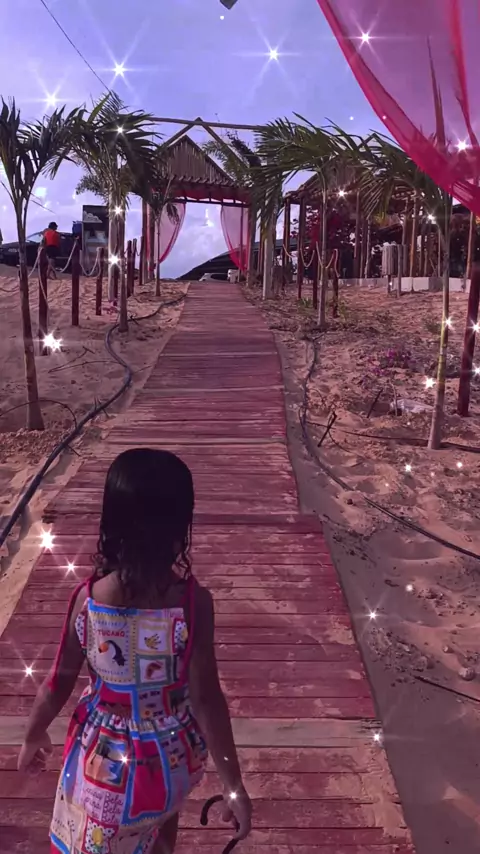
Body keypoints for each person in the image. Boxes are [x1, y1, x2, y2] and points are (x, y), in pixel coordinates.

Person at [18, 448, 252, 854]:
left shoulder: (89, 600)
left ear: (112, 525)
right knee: (160, 834)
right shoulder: (192, 605)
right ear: (179, 530)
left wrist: (33, 734)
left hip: (103, 759)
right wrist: (234, 786)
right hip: (168, 756)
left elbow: (57, 682)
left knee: (95, 841)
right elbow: (207, 700)